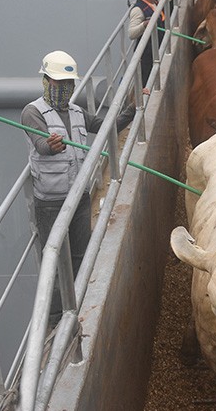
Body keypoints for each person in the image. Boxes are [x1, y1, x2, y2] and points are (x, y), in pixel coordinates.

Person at [21, 50, 135, 324]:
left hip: (80, 197)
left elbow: (106, 126)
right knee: (57, 263)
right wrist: (51, 145)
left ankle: (80, 309)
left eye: (68, 84)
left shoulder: (76, 111)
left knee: (81, 254)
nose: (64, 89)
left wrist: (131, 108)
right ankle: (55, 319)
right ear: (46, 81)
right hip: (50, 202)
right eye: (58, 83)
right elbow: (40, 144)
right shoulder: (32, 112)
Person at [129, 0, 165, 93]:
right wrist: (144, 24)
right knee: (146, 87)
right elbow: (131, 33)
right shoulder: (138, 10)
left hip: (157, 51)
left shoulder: (155, 1)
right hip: (146, 56)